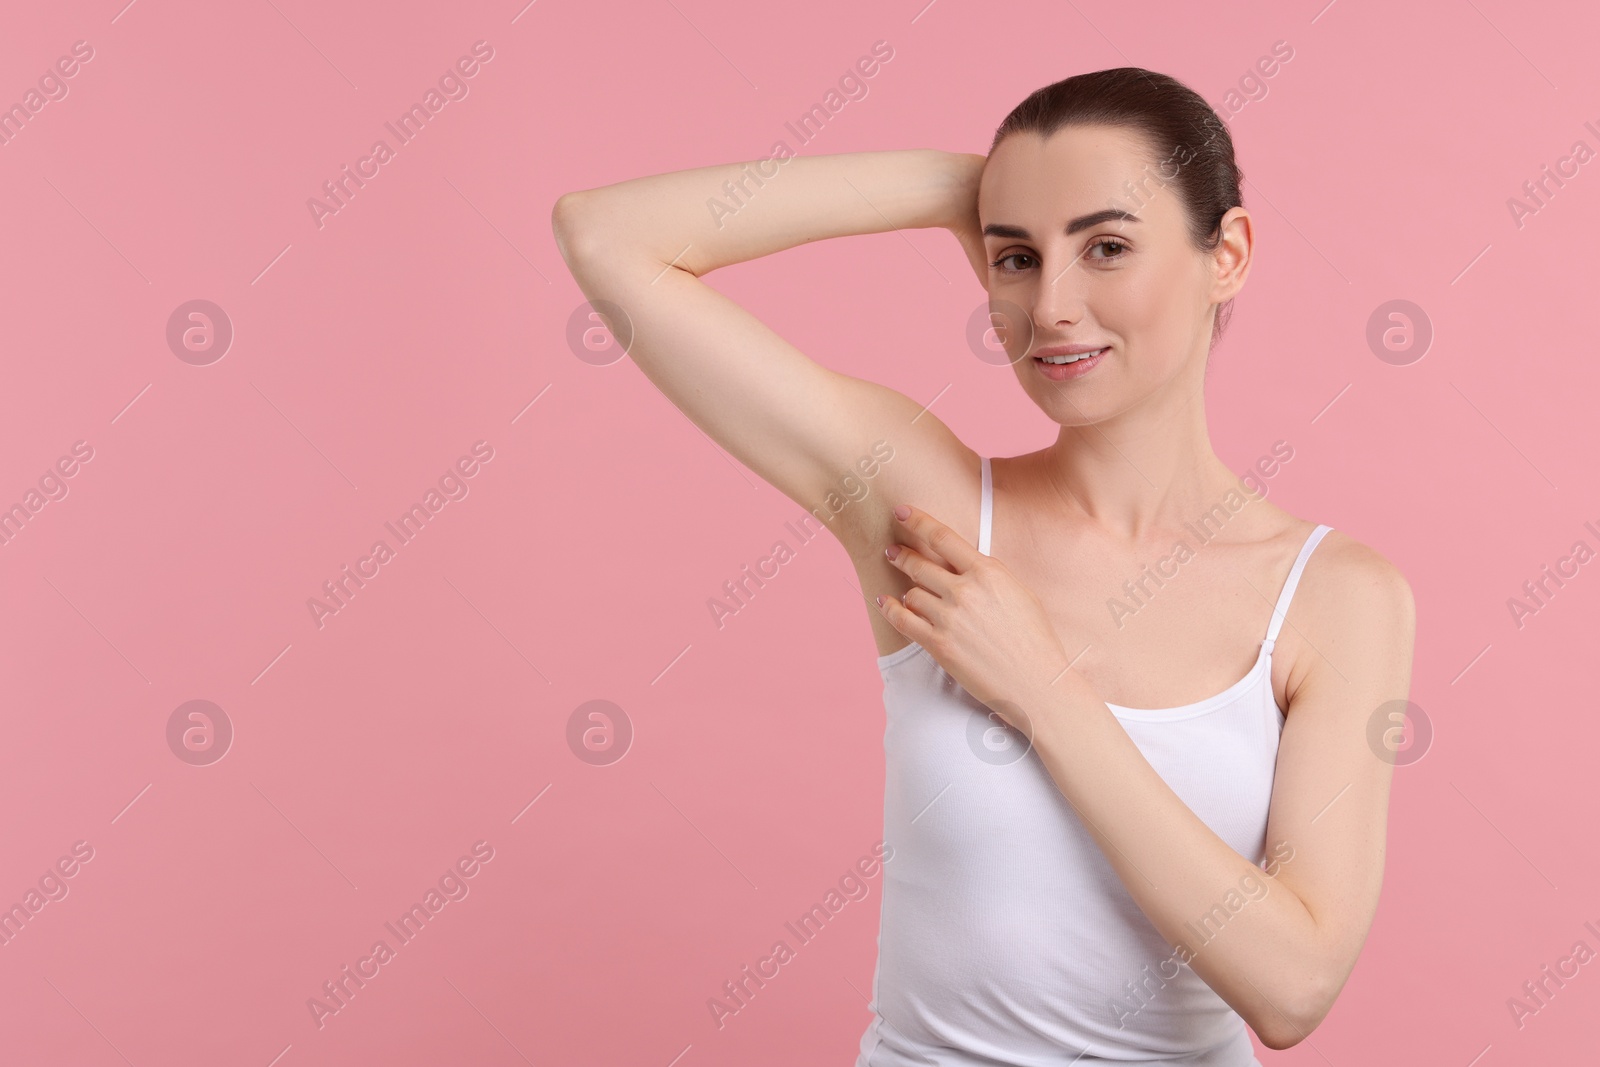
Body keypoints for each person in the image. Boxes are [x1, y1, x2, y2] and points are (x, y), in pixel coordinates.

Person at [552, 66, 1414, 1067]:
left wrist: (1044, 692)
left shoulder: (1335, 595)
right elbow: (603, 236)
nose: (1050, 305)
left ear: (1225, 254)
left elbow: (1293, 986)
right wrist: (950, 186)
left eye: (1106, 246)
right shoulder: (930, 509)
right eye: (1014, 256)